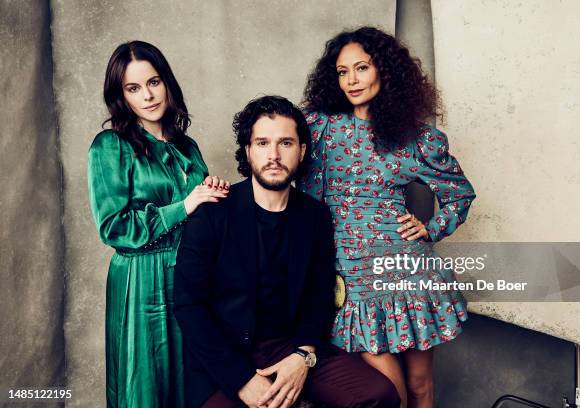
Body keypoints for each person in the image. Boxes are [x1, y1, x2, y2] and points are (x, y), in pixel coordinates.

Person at [173, 95, 401, 408]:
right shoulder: (212, 213)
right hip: (226, 356)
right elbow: (189, 306)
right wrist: (241, 380)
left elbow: (319, 296)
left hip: (291, 347)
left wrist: (303, 355)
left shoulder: (315, 216)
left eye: (286, 143)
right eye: (263, 143)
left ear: (302, 150)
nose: (274, 155)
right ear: (249, 150)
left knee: (379, 396)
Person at [299, 27, 477, 408]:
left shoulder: (416, 138)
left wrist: (429, 228)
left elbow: (459, 195)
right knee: (387, 394)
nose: (351, 80)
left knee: (419, 386)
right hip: (351, 276)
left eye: (361, 68)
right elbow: (275, 158)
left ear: (385, 71)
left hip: (406, 269)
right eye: (343, 71)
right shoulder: (319, 127)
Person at [88, 40, 230, 407]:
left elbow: (199, 211)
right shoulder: (110, 146)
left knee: (193, 380)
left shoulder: (188, 146)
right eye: (133, 88)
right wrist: (185, 205)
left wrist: (213, 197)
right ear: (121, 96)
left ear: (166, 82)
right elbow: (115, 227)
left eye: (153, 82)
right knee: (147, 383)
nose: (148, 96)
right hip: (141, 279)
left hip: (191, 273)